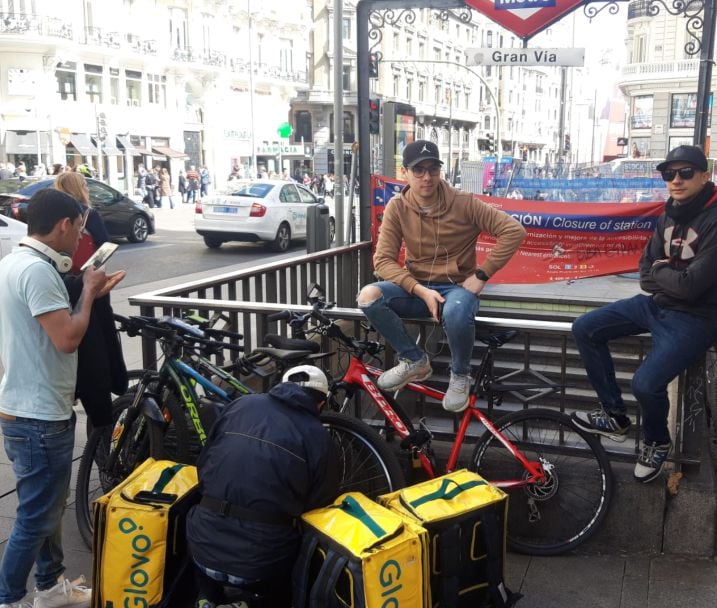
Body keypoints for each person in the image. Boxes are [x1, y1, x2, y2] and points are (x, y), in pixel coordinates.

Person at [571, 145, 717, 483]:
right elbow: (645, 271)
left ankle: (656, 441)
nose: (676, 180)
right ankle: (615, 415)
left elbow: (693, 286)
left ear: (704, 176)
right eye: (669, 174)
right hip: (659, 305)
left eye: (685, 173)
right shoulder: (668, 215)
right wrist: (668, 277)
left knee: (646, 383)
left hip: (701, 317)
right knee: (586, 327)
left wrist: (664, 275)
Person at [0, 189, 125, 608]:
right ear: (63, 225)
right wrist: (87, 290)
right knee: (36, 518)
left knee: (45, 509)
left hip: (23, 410)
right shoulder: (37, 272)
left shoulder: (14, 262)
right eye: (79, 230)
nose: (81, 240)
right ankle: (5, 600)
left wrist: (91, 294)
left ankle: (49, 587)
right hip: (38, 418)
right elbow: (67, 338)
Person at [358, 139, 526, 412]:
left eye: (433, 169)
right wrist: (420, 290)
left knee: (457, 312)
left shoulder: (464, 203)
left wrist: (482, 274)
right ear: (406, 173)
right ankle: (414, 360)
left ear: (440, 171)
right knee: (368, 296)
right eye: (419, 170)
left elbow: (514, 231)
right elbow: (383, 261)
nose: (427, 177)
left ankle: (460, 374)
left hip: (456, 288)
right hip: (417, 289)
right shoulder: (397, 207)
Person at [187, 365, 338, 608]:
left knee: (210, 553)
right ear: (321, 404)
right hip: (261, 562)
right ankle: (251, 603)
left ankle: (206, 596)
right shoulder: (319, 436)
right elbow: (319, 507)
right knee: (290, 563)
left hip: (201, 545)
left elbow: (204, 463)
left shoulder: (239, 405)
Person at [53, 173, 126, 428]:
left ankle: (77, 393)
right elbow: (105, 243)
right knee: (96, 356)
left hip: (64, 288)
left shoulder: (52, 218)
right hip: (89, 287)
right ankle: (102, 429)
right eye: (84, 185)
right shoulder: (88, 214)